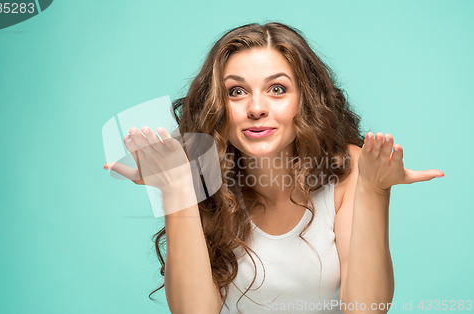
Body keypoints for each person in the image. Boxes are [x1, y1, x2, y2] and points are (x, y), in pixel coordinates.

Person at [103, 22, 444, 314]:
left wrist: (374, 188)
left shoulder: (350, 168)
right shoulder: (199, 174)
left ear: (305, 99)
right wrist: (176, 189)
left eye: (277, 89)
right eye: (236, 92)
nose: (255, 108)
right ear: (218, 106)